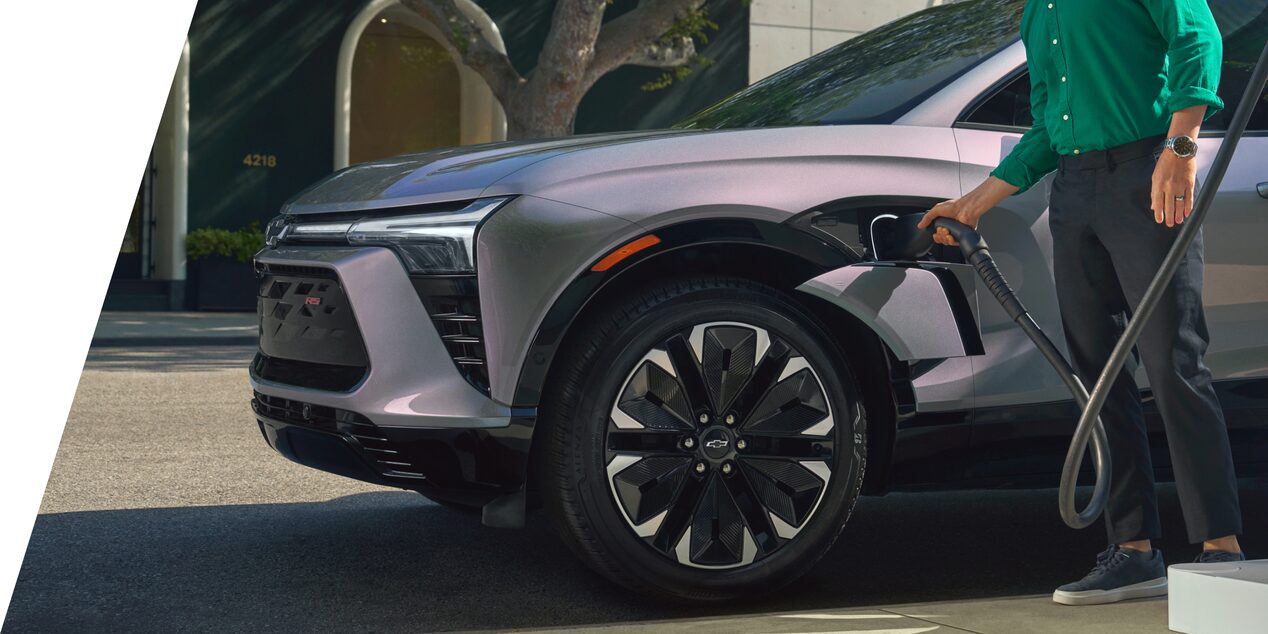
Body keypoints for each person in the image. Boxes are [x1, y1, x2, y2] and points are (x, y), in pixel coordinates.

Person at [919, 0, 1245, 606]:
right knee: (1097, 376)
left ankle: (1221, 550)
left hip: (1147, 174)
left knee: (1174, 365)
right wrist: (972, 205)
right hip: (1072, 192)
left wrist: (1180, 149)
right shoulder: (1038, 15)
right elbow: (1048, 127)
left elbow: (1198, 38)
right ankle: (1134, 552)